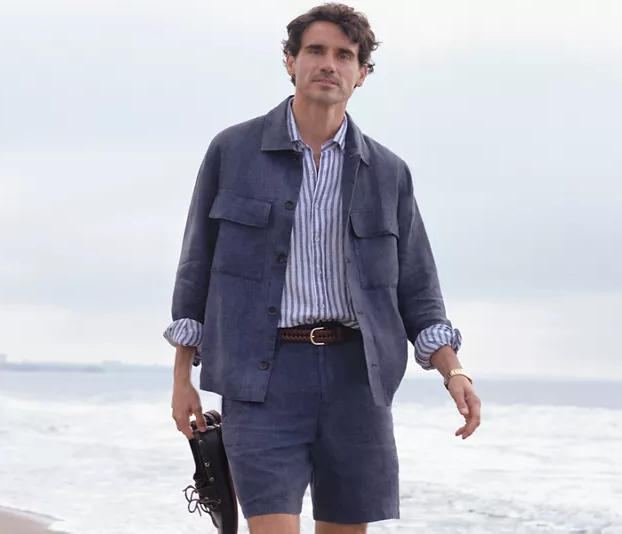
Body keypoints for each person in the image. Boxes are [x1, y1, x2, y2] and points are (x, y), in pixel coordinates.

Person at [166, 3, 482, 533]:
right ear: (290, 62)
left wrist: (454, 372)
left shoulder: (388, 173)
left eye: (344, 55)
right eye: (315, 51)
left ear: (362, 75)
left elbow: (419, 290)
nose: (328, 64)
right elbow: (195, 270)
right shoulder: (232, 152)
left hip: (356, 382)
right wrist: (182, 379)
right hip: (260, 379)